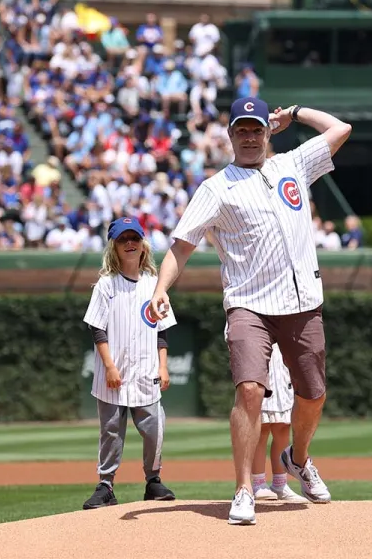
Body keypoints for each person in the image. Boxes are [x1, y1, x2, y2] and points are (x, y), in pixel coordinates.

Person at [149, 97, 352, 525]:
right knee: (249, 391)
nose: (249, 135)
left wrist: (294, 114)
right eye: (241, 128)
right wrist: (160, 288)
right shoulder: (216, 187)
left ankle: (298, 457)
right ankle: (244, 489)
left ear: (267, 132)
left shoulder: (291, 165)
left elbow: (340, 129)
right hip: (249, 304)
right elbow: (181, 245)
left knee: (313, 396)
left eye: (256, 128)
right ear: (229, 135)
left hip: (302, 303)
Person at [81, 216, 178, 510]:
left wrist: (163, 365)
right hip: (113, 373)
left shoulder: (154, 285)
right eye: (123, 239)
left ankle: (153, 480)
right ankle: (106, 485)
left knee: (154, 428)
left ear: (144, 245)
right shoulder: (106, 285)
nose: (130, 243)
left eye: (134, 238)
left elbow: (161, 332)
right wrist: (109, 366)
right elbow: (97, 328)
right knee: (111, 431)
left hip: (147, 371)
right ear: (114, 246)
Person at [223, 323, 307, 503]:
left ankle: (280, 483)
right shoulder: (244, 311)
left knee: (283, 427)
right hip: (260, 374)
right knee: (261, 429)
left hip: (283, 375)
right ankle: (258, 483)